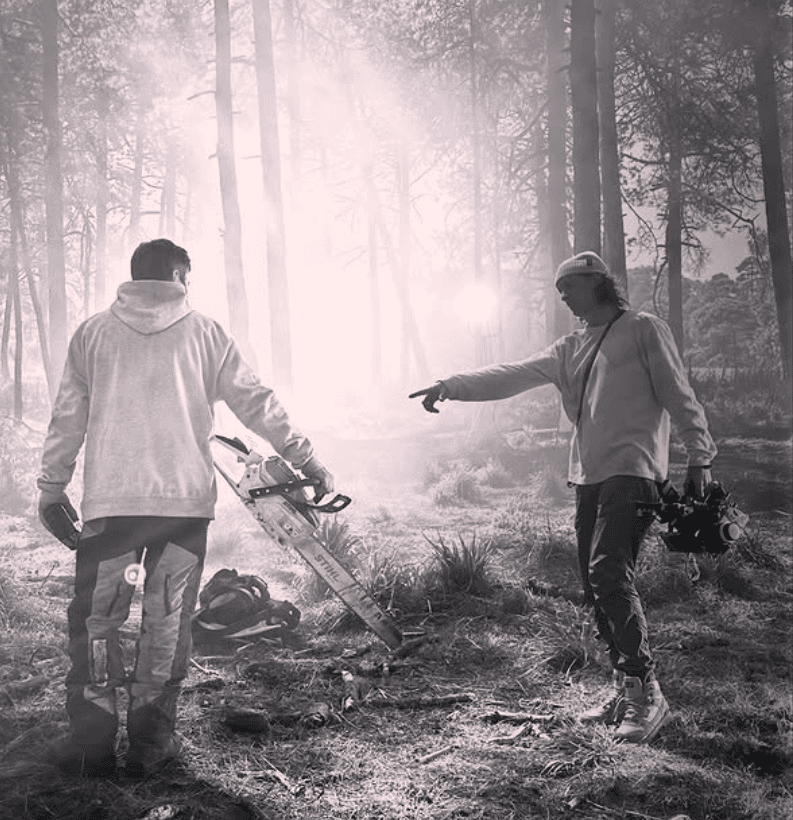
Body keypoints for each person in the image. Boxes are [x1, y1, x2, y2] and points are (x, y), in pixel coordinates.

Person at [37, 238, 335, 778]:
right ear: (178, 276)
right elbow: (256, 401)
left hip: (111, 508)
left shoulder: (94, 333)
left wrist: (51, 487)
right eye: (188, 278)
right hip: (183, 509)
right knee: (167, 621)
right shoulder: (206, 333)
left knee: (97, 622)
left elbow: (67, 416)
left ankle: (91, 745)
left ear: (135, 278)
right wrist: (304, 457)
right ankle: (150, 746)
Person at [410, 251, 716, 744]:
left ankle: (647, 694)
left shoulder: (643, 329)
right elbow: (511, 374)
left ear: (595, 281)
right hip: (588, 477)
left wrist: (700, 456)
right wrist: (451, 386)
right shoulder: (569, 346)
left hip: (634, 471)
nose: (562, 297)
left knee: (609, 572)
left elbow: (678, 394)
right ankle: (623, 688)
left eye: (568, 287)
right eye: (558, 290)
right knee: (595, 583)